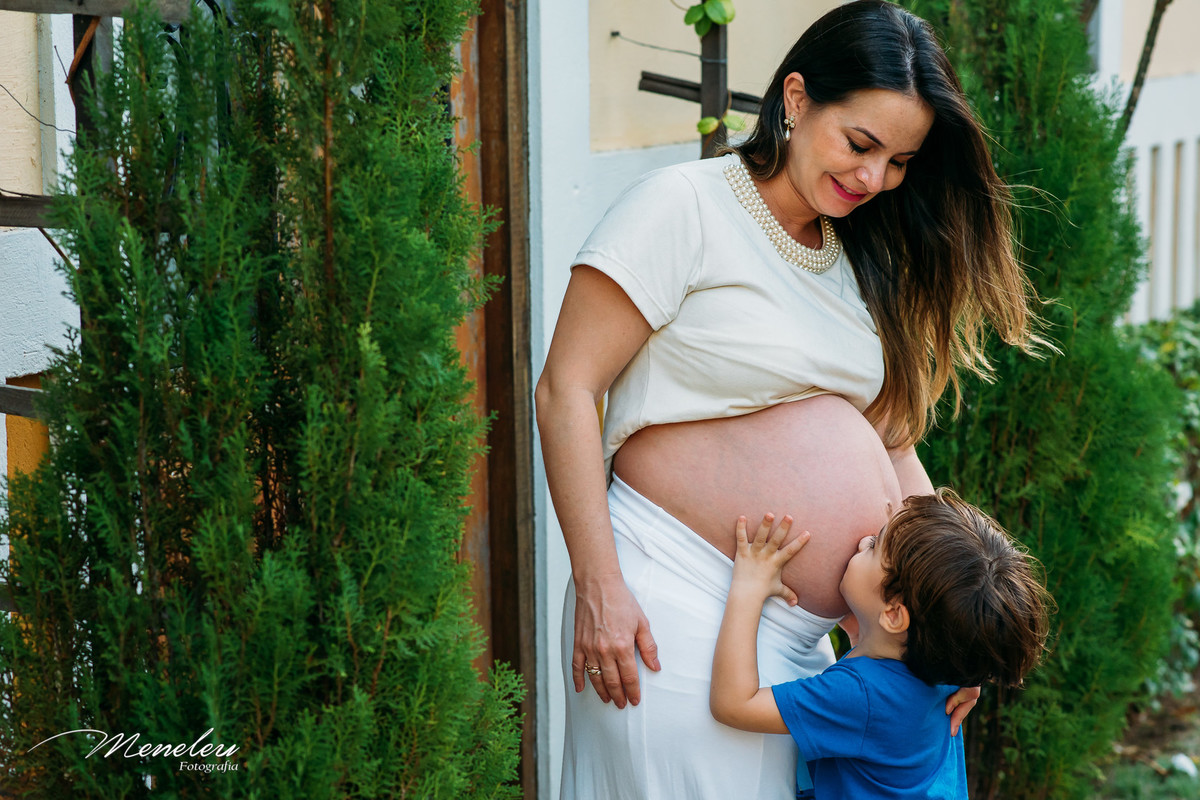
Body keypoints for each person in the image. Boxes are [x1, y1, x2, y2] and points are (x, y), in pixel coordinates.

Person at [535, 1, 1047, 796]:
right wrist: (599, 583)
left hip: (807, 644)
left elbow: (889, 447)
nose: (874, 178)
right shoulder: (684, 207)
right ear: (798, 99)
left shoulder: (861, 253)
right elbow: (566, 389)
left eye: (900, 161)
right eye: (861, 144)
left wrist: (944, 635)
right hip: (673, 606)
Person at [710, 492, 1052, 799]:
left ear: (893, 615)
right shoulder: (947, 665)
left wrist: (749, 587)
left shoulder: (860, 697)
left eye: (874, 546)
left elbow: (734, 705)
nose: (862, 541)